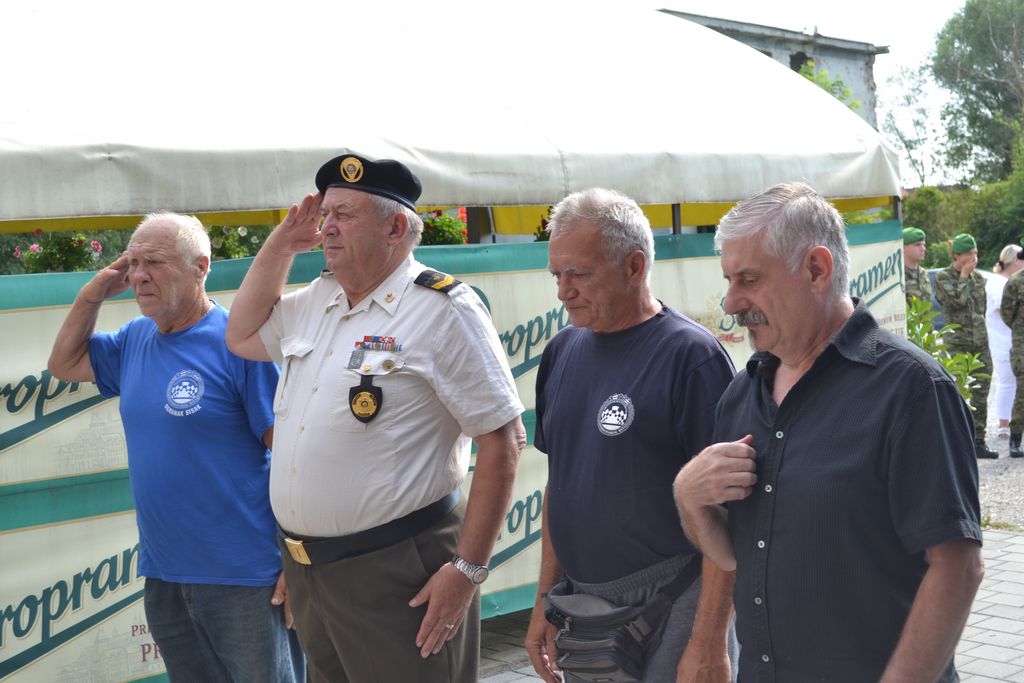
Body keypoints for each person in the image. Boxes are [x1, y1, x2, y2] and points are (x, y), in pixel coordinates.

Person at [224, 153, 526, 683]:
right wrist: (279, 247)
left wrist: (467, 571)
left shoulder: (443, 308)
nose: (327, 227)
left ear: (395, 228)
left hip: (397, 568)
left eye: (344, 214)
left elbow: (503, 440)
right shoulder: (317, 300)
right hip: (310, 571)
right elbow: (241, 335)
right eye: (326, 214)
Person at [673, 182, 984, 682]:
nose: (730, 302)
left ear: (817, 269)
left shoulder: (911, 389)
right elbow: (732, 555)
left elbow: (958, 567)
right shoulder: (742, 394)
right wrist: (690, 499)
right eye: (729, 280)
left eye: (749, 279)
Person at [47, 213, 304, 683]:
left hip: (246, 577)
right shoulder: (134, 339)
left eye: (155, 262)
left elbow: (292, 458)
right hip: (165, 576)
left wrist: (297, 557)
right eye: (133, 263)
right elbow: (64, 364)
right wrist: (92, 295)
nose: (139, 275)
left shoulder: (240, 344)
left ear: (200, 267)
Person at [524, 188, 739, 683]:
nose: (563, 291)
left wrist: (709, 642)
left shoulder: (691, 356)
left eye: (578, 273)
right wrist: (545, 602)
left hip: (673, 601)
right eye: (556, 275)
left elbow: (730, 512)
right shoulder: (561, 351)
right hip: (583, 607)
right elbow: (561, 485)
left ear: (634, 266)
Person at [934, 233, 999, 458]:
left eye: (976, 253)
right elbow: (956, 303)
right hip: (958, 345)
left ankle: (979, 441)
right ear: (956, 255)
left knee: (981, 391)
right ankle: (959, 444)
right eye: (969, 253)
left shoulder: (978, 278)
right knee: (959, 393)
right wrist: (963, 277)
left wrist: (969, 276)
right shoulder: (943, 277)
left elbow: (981, 310)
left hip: (980, 343)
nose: (974, 258)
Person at [987, 245, 1024, 446]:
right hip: (1009, 341)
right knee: (1010, 385)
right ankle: (1006, 428)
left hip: (1011, 339)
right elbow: (1006, 313)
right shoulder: (1004, 282)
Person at [999, 246, 1024, 459]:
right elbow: (1007, 314)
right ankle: (1015, 441)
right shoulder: (1016, 282)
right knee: (1023, 396)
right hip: (1022, 346)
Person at [902, 226, 932, 303]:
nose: (923, 249)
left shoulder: (923, 273)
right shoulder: (897, 276)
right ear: (903, 247)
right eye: (917, 245)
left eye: (924, 245)